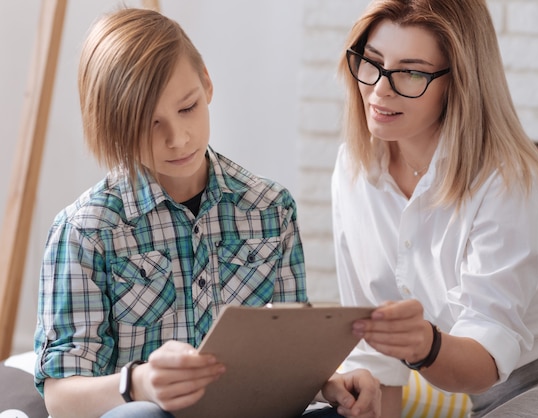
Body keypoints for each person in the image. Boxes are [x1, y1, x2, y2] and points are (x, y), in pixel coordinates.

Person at [33, 8, 381, 418]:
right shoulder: (86, 231)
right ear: (115, 125)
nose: (177, 139)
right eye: (150, 123)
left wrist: (330, 383)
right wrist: (139, 384)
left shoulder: (271, 209)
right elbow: (60, 399)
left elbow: (291, 354)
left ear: (207, 84)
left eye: (187, 108)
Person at [331, 0, 538, 416]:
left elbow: (486, 357)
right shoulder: (354, 169)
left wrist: (425, 344)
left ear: (458, 82)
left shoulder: (506, 179)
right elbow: (376, 357)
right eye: (372, 61)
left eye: (411, 71)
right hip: (488, 392)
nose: (379, 89)